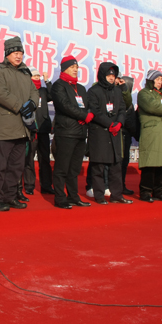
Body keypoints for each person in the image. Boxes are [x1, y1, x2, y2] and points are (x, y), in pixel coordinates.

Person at [0, 36, 39, 212]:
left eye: (20, 53)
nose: (18, 56)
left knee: (16, 167)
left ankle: (10, 197)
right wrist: (20, 106)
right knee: (0, 165)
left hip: (22, 128)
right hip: (4, 127)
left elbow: (34, 92)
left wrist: (32, 104)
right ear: (7, 54)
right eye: (15, 53)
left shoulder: (25, 73)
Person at [51, 56, 92, 209]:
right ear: (64, 69)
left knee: (74, 169)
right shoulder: (58, 86)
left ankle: (73, 196)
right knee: (61, 168)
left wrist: (86, 116)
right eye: (72, 67)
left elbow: (86, 106)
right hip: (66, 132)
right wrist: (83, 116)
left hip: (80, 133)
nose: (75, 70)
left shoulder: (80, 88)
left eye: (77, 67)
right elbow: (64, 105)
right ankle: (60, 198)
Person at [87, 62, 131, 205]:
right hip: (99, 132)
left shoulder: (117, 91)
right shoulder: (94, 91)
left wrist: (119, 123)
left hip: (115, 133)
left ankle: (116, 195)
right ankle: (99, 195)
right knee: (98, 166)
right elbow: (94, 111)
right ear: (102, 75)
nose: (112, 78)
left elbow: (122, 109)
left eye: (113, 75)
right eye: (109, 75)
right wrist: (109, 123)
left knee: (116, 166)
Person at [137, 69, 162, 203]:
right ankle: (145, 191)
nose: (160, 82)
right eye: (157, 79)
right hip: (152, 132)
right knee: (150, 164)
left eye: (161, 79)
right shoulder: (144, 93)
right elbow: (153, 107)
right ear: (151, 80)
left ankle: (159, 191)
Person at [18, 67, 54, 199]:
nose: (37, 77)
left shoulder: (43, 91)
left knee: (45, 159)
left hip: (43, 130)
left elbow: (53, 95)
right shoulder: (26, 90)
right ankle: (29, 186)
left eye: (38, 76)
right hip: (31, 129)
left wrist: (47, 81)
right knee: (29, 159)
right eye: (35, 76)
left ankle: (46, 186)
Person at [119, 76, 138, 196]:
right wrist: (137, 134)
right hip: (123, 135)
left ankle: (120, 185)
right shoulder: (126, 102)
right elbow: (129, 121)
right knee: (122, 162)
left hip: (124, 135)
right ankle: (120, 186)